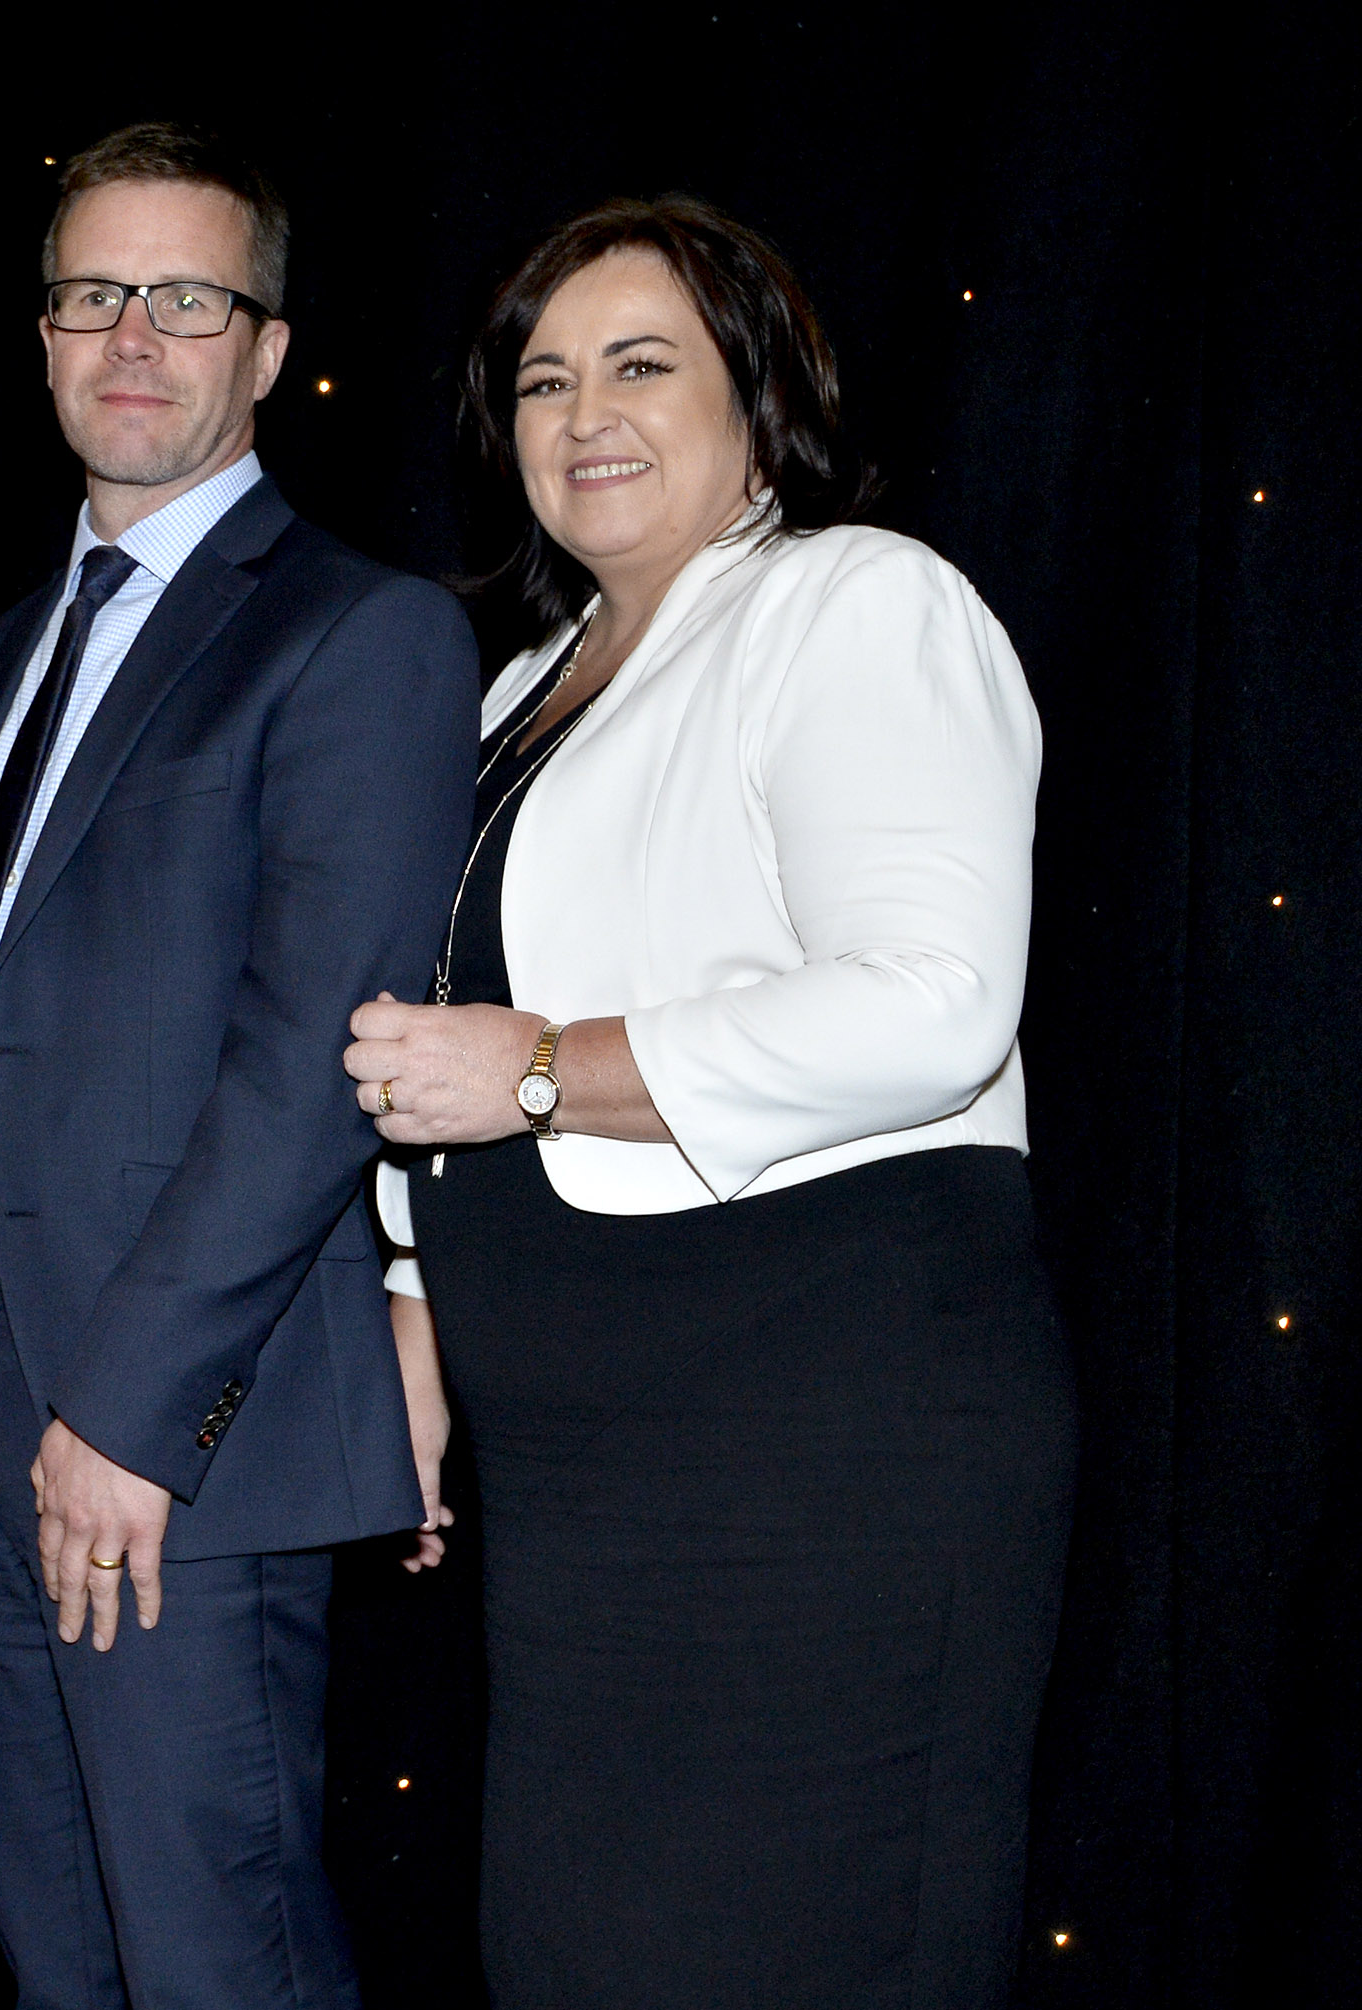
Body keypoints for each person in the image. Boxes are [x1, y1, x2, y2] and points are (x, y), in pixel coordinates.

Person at [346, 195, 1077, 2005]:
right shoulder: (525, 682)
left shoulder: (861, 600)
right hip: (592, 1482)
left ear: (757, 392)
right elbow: (444, 1038)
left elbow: (934, 1003)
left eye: (641, 362)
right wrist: (418, 1313)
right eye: (541, 377)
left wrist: (539, 1066)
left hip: (830, 1459)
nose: (582, 406)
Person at [0, 124, 474, 2008]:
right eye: (93, 293)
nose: (133, 334)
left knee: (215, 1954)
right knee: (58, 1955)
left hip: (171, 1406)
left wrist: (135, 1413)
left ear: (269, 346)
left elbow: (314, 1060)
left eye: (188, 298)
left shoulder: (363, 632)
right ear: (46, 333)